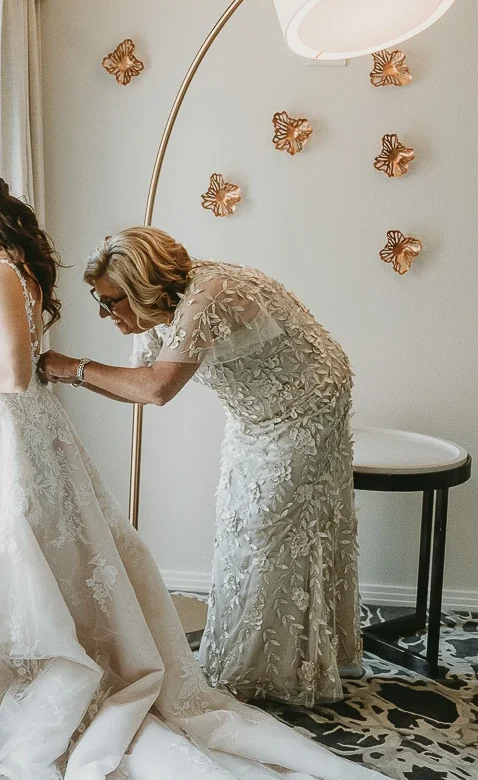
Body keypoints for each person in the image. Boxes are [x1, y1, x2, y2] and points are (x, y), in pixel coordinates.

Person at [0, 162, 379, 780]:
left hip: (285, 405)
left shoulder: (2, 273)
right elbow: (122, 361)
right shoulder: (20, 267)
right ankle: (252, 659)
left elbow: (71, 379)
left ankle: (280, 667)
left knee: (2, 559)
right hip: (24, 431)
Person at [39, 226, 360, 707]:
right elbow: (141, 389)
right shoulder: (163, 309)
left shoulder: (206, 297)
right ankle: (257, 660)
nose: (106, 314)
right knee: (239, 525)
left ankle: (278, 673)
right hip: (253, 411)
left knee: (270, 529)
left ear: (143, 289)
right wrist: (69, 377)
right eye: (99, 302)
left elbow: (156, 388)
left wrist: (70, 367)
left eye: (111, 302)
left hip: (307, 404)